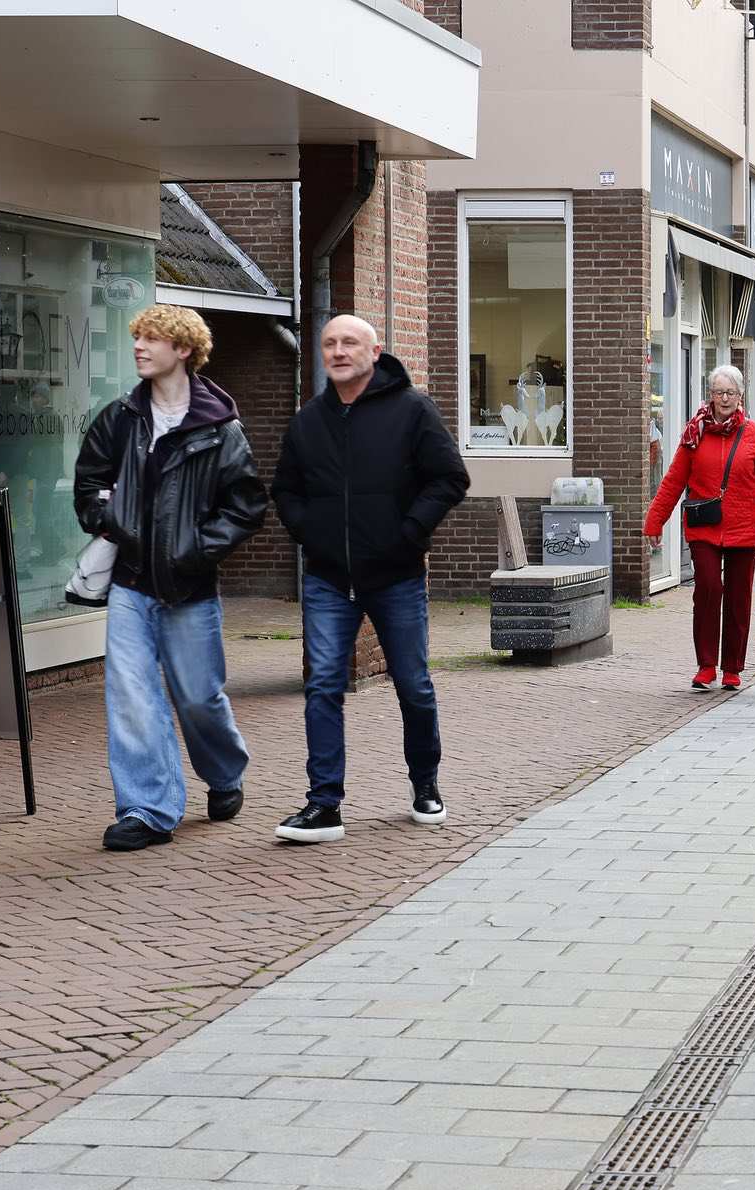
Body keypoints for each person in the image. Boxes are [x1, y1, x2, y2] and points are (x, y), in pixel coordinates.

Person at [72, 304, 267, 852]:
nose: (139, 346)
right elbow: (88, 483)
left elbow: (246, 506)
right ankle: (148, 809)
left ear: (183, 350)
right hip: (130, 584)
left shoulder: (219, 428)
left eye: (152, 338)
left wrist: (196, 550)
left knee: (199, 699)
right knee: (132, 699)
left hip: (190, 588)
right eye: (138, 337)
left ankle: (224, 774)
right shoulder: (119, 418)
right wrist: (110, 518)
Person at [271, 315, 470, 844]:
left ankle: (425, 784)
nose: (338, 351)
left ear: (375, 352)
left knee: (413, 684)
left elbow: (450, 477)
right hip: (328, 578)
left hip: (396, 575)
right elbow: (285, 490)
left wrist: (408, 533)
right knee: (322, 685)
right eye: (329, 343)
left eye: (349, 342)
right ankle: (324, 804)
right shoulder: (308, 422)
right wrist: (311, 533)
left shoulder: (412, 410)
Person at [645, 365, 755, 692]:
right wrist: (655, 520)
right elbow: (673, 480)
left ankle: (732, 668)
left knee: (738, 600)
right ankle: (706, 665)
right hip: (705, 528)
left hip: (744, 529)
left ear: (740, 396)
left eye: (730, 393)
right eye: (718, 392)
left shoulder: (754, 434)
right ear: (710, 395)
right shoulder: (694, 433)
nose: (724, 399)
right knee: (708, 589)